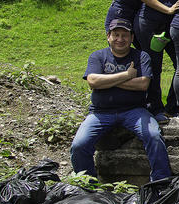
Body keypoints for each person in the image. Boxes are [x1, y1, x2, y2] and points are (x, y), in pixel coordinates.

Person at [71, 19, 171, 182]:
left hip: (134, 111)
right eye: (116, 35)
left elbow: (143, 84)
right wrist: (126, 75)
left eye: (125, 35)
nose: (120, 39)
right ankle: (87, 186)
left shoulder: (141, 56)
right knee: (79, 145)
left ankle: (161, 182)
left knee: (153, 136)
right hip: (100, 113)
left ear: (132, 38)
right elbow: (93, 82)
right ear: (108, 37)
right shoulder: (98, 56)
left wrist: (107, 81)